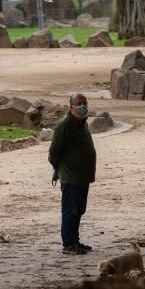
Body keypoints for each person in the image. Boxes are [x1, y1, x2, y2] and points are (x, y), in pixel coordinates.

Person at [48, 93, 97, 255]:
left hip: (83, 177)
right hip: (71, 177)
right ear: (71, 107)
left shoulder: (82, 123)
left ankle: (75, 241)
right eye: (78, 103)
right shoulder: (64, 125)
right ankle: (68, 244)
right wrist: (60, 169)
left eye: (84, 103)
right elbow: (53, 152)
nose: (82, 106)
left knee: (79, 210)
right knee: (70, 211)